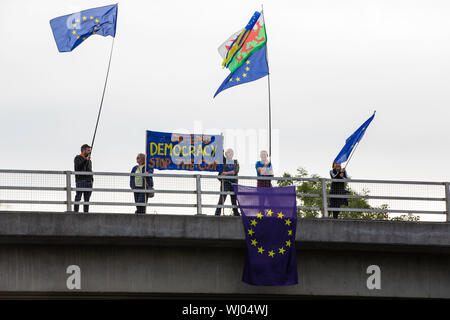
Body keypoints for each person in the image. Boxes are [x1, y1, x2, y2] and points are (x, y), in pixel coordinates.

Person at [215, 148, 240, 216]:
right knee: (222, 198)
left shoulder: (235, 161)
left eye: (232, 152)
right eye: (229, 152)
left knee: (234, 199)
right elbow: (220, 153)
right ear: (226, 154)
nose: (230, 154)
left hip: (233, 183)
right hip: (225, 182)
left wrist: (226, 173)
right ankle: (217, 213)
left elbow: (235, 171)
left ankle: (236, 214)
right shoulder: (224, 161)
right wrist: (221, 142)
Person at [74, 144, 93, 213]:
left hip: (88, 182)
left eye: (90, 150)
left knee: (87, 199)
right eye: (88, 150)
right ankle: (76, 212)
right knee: (78, 197)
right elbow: (78, 167)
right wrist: (85, 160)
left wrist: (92, 179)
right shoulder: (77, 158)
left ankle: (86, 213)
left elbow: (90, 170)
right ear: (83, 150)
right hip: (80, 181)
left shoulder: (89, 161)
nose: (89, 152)